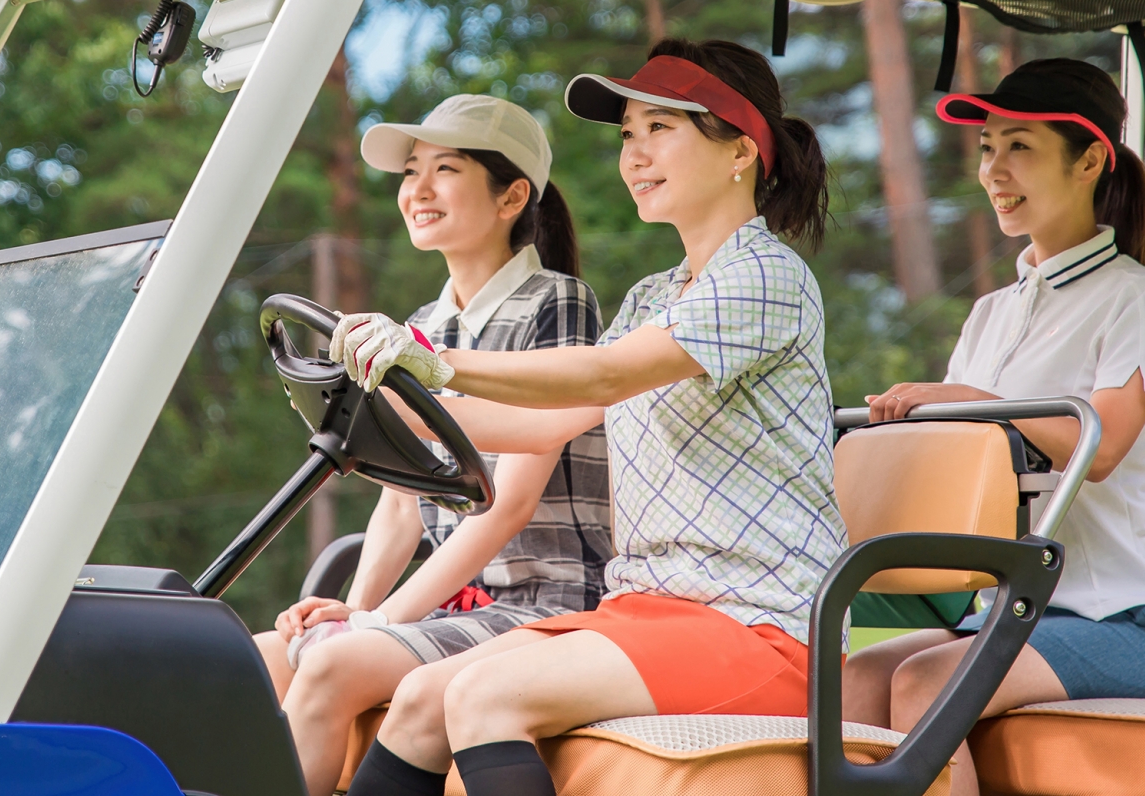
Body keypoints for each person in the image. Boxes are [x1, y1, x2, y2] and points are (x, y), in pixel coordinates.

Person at [327, 39, 843, 796]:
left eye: (660, 129)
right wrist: (395, 410)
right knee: (420, 700)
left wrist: (434, 363)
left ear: (740, 150)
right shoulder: (652, 295)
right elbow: (545, 422)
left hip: (761, 624)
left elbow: (602, 371)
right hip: (647, 608)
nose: (634, 155)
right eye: (628, 135)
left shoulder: (766, 274)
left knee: (482, 696)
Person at [844, 58, 1145, 796]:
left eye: (1019, 147)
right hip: (1021, 607)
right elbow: (964, 461)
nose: (994, 170)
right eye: (988, 149)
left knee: (924, 682)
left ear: (1089, 161)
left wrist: (965, 397)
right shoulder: (992, 312)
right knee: (859, 677)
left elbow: (1103, 446)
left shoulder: (1140, 296)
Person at [253, 93, 611, 796]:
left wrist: (383, 621)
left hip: (550, 601)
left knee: (326, 667)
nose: (417, 189)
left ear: (512, 197)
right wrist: (358, 609)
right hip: (464, 603)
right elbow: (400, 502)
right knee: (268, 653)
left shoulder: (556, 302)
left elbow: (508, 505)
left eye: (444, 169)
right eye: (411, 171)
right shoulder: (419, 325)